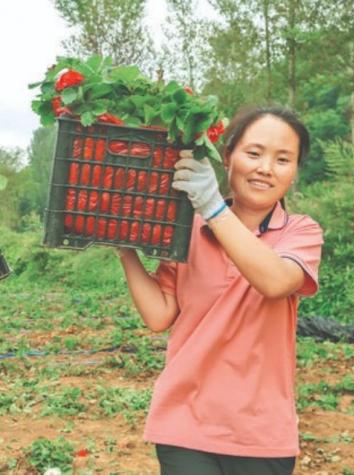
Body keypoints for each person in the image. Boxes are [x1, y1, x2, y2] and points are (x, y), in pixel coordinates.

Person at [117, 107, 323, 475]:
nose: (265, 168)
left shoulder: (301, 232)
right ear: (227, 157)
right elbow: (160, 314)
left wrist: (212, 208)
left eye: (282, 159)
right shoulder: (189, 228)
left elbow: (275, 282)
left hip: (261, 433)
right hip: (185, 422)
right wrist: (123, 245)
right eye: (254, 153)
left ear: (293, 172)